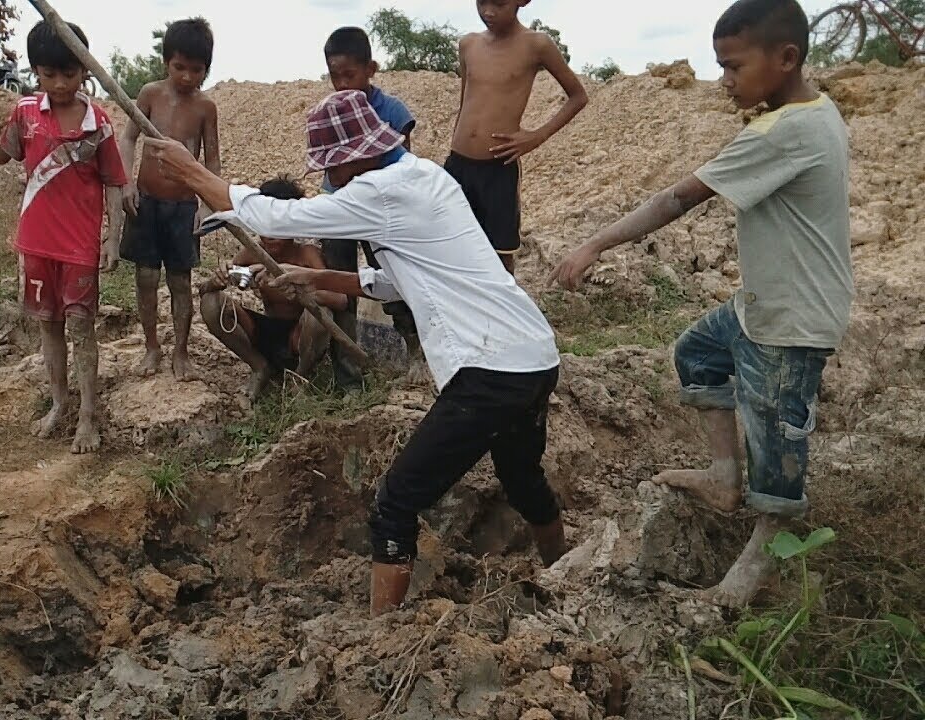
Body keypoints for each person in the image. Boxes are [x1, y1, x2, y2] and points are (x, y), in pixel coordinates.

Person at [148, 90, 567, 617]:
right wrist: (318, 276)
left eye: (332, 168)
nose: (331, 179)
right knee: (522, 477)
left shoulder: (381, 190)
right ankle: (565, 576)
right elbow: (396, 280)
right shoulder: (425, 177)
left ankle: (379, 635)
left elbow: (277, 218)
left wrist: (192, 172)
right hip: (533, 356)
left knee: (395, 502)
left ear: (353, 159)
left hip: (490, 368)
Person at [550, 0, 852, 607]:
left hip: (790, 320)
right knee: (698, 353)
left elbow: (677, 199)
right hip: (762, 303)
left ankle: (743, 584)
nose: (725, 81)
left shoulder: (785, 132)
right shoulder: (812, 111)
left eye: (734, 67)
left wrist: (593, 245)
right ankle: (722, 477)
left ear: (786, 58)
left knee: (776, 446)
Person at [0, 20, 126, 452]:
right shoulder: (26, 113)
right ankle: (59, 403)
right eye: (49, 74)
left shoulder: (99, 124)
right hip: (36, 243)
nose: (60, 84)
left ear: (85, 71)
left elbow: (114, 181)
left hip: (79, 247)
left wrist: (112, 238)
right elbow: (1, 153)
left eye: (69, 74)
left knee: (81, 329)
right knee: (48, 326)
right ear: (35, 71)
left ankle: (88, 417)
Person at [320, 26, 426, 390]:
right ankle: (348, 378)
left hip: (381, 210)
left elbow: (402, 166)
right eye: (335, 76)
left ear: (371, 69)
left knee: (394, 280)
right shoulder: (332, 113)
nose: (342, 85)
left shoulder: (392, 110)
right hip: (340, 208)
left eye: (349, 75)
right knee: (341, 288)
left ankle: (416, 354)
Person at [450, 0, 588, 275]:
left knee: (500, 254)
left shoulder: (536, 45)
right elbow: (465, 102)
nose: (488, 11)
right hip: (457, 164)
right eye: (481, 2)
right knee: (453, 247)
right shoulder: (468, 44)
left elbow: (578, 96)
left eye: (499, 4)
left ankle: (504, 304)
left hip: (498, 167)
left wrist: (537, 136)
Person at [119, 17, 221, 382]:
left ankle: (181, 351)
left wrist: (207, 204)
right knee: (146, 278)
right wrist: (126, 183)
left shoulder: (205, 107)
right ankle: (151, 347)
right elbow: (128, 138)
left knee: (180, 282)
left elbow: (212, 160)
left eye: (197, 70)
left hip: (183, 207)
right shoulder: (150, 94)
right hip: (146, 202)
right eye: (179, 67)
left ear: (206, 69)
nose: (187, 77)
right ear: (166, 62)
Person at [198, 177, 347, 402]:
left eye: (277, 227)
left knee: (320, 315)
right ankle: (259, 367)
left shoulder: (306, 255)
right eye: (264, 225)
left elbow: (340, 300)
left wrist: (300, 290)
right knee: (211, 303)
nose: (269, 235)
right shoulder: (253, 253)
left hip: (298, 337)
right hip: (263, 333)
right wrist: (217, 280)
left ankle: (300, 376)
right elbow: (205, 290)